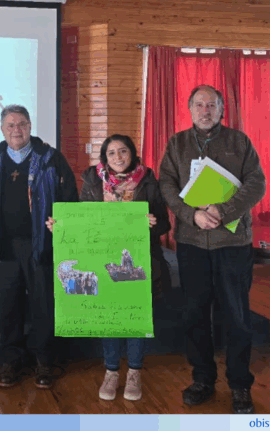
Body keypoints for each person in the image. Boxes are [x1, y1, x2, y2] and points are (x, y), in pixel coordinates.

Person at [158, 85, 266, 414]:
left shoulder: (239, 142)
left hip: (232, 243)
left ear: (221, 110)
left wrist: (223, 210)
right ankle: (203, 378)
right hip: (191, 243)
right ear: (189, 109)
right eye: (200, 104)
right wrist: (192, 214)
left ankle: (239, 384)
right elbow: (166, 184)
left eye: (212, 105)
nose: (206, 110)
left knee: (236, 315)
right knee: (195, 314)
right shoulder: (176, 144)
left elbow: (256, 182)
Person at [46, 134, 171, 401]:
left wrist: (153, 221)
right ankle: (112, 371)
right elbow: (83, 217)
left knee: (135, 317)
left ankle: (135, 371)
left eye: (123, 151)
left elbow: (164, 224)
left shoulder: (148, 180)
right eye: (112, 153)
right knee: (109, 318)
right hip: (100, 257)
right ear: (105, 157)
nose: (118, 157)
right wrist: (62, 225)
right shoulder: (93, 180)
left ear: (132, 154)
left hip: (138, 258)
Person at [0, 104, 78, 389]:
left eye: (21, 124)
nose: (16, 130)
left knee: (43, 304)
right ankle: (12, 360)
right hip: (4, 247)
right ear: (1, 129)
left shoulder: (50, 158)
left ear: (30, 126)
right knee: (7, 306)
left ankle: (44, 361)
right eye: (10, 125)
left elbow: (69, 197)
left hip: (41, 245)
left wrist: (62, 232)